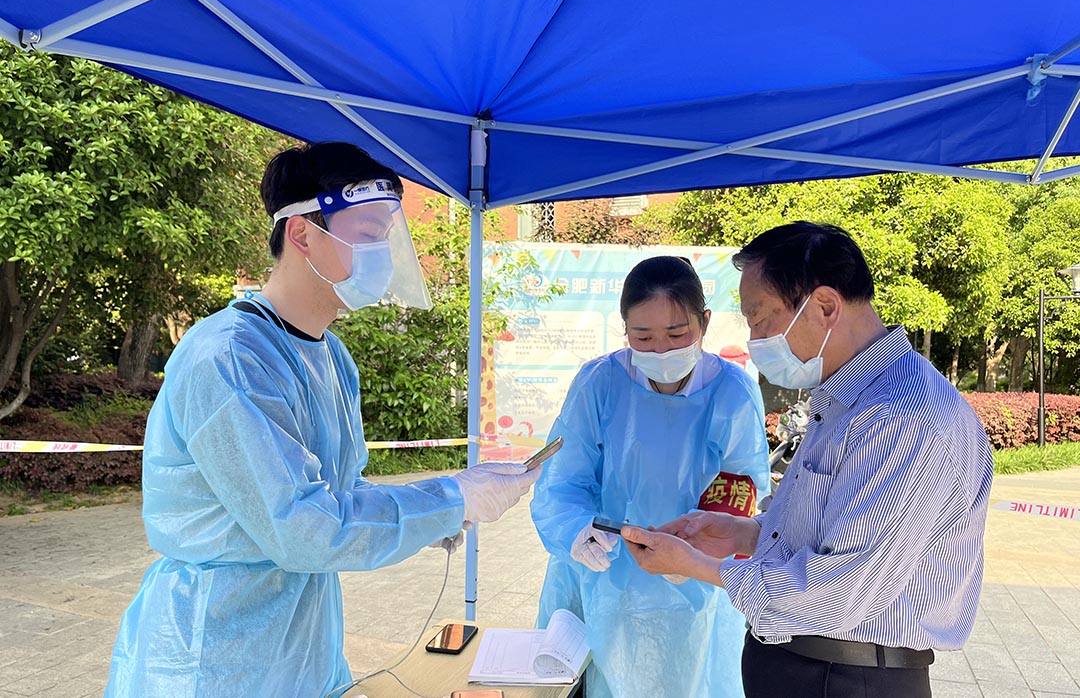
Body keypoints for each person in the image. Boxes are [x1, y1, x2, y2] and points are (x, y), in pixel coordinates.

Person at [104, 142, 540, 698]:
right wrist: (450, 499)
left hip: (305, 649)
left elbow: (340, 494)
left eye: (386, 234)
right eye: (368, 233)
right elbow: (304, 527)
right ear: (302, 234)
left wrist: (436, 516)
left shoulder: (332, 356)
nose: (382, 253)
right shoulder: (231, 357)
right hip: (216, 657)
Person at [622, 222, 994, 698]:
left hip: (849, 677)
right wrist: (746, 534)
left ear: (824, 306)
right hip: (810, 667)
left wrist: (700, 566)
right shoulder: (847, 399)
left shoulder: (904, 415)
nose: (755, 339)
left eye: (760, 319)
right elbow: (829, 531)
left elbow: (841, 591)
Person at [530, 256, 770, 698]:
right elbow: (562, 481)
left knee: (689, 682)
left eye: (677, 335)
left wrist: (695, 554)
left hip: (694, 586)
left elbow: (742, 486)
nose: (661, 351)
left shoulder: (732, 391)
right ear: (625, 330)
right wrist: (575, 531)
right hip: (602, 576)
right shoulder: (599, 383)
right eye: (643, 337)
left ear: (705, 322)